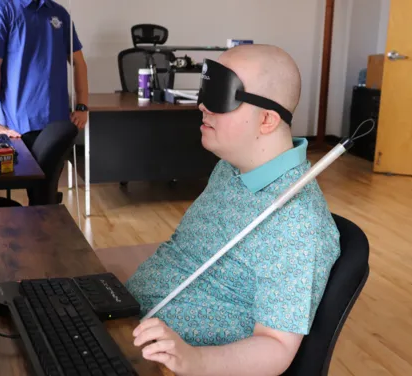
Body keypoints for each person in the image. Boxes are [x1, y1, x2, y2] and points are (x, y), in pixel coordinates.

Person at [125, 44, 341, 376]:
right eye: (204, 90)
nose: (201, 106)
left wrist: (194, 361)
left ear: (267, 119)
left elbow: (276, 346)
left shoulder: (297, 223)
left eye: (220, 95)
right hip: (130, 321)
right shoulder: (232, 167)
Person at [0, 0, 89, 204]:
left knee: (45, 197)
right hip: (19, 127)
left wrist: (82, 106)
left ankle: (46, 231)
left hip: (57, 126)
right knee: (33, 194)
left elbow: (79, 62)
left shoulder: (58, 12)